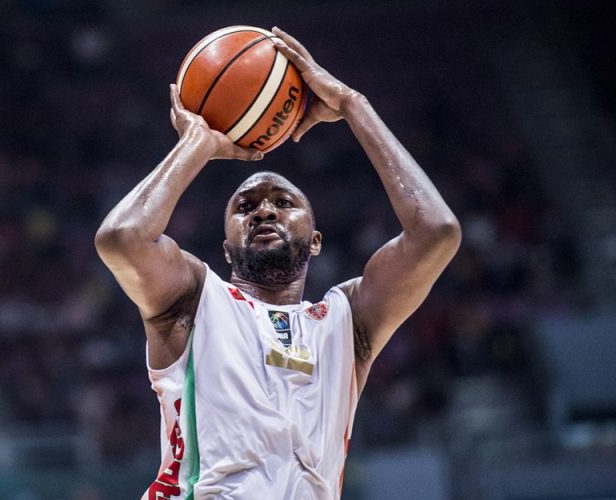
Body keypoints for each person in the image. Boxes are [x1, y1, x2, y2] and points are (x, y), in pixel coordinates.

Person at [95, 27, 461, 500]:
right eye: (245, 207)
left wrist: (353, 104)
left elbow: (437, 232)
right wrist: (197, 144)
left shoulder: (348, 319)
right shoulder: (194, 298)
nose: (264, 211)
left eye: (284, 202)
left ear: (315, 242)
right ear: (226, 249)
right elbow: (121, 238)